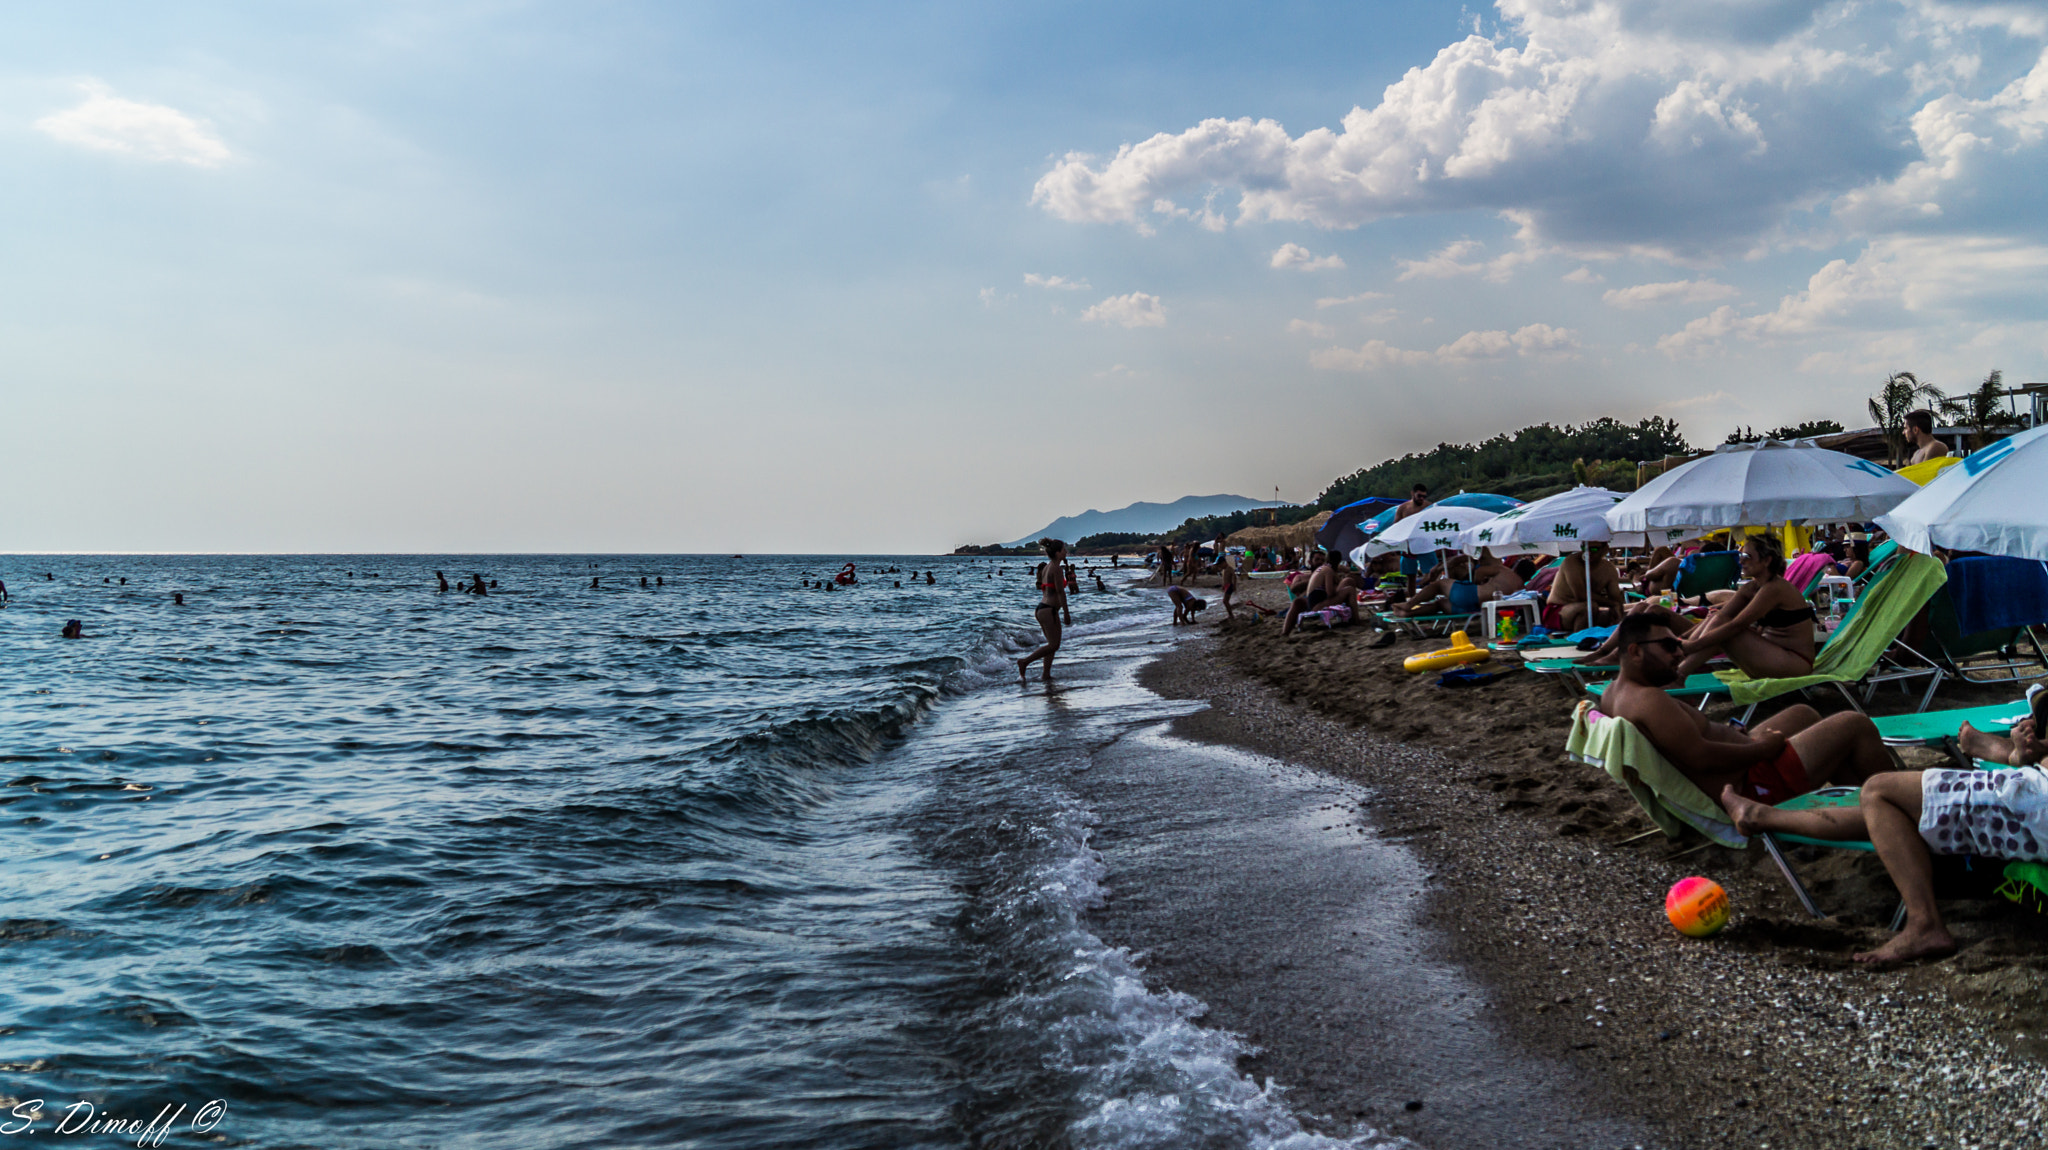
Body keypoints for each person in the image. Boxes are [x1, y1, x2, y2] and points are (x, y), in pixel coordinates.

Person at [1718, 762, 2048, 967]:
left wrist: (2008, 749)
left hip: (2039, 800)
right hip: (2037, 792)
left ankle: (1924, 924)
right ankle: (1760, 815)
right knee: (1890, 813)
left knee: (1880, 791)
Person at [1601, 611, 1891, 812]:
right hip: (1749, 789)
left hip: (1741, 767)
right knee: (1854, 724)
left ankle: (1862, 805)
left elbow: (1690, 747)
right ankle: (1894, 804)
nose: (1679, 652)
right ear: (1636, 652)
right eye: (1668, 646)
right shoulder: (1649, 701)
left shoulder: (1614, 694)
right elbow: (1702, 759)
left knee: (1803, 713)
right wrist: (1763, 749)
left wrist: (1736, 736)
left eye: (1677, 644)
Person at [1669, 535, 1815, 679]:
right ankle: (1677, 669)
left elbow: (1736, 625)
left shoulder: (1775, 588)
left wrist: (1693, 645)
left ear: (1766, 560)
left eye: (1747, 556)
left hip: (1796, 663)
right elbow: (1720, 616)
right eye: (1741, 554)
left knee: (1726, 630)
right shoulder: (1752, 587)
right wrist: (1681, 639)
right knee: (1717, 617)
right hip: (1770, 655)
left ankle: (1678, 674)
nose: (1741, 560)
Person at [1018, 538, 1068, 683]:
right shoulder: (1056, 568)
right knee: (1054, 645)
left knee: (1052, 645)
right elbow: (1060, 592)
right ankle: (1025, 662)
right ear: (1058, 552)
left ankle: (1046, 674)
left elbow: (1045, 588)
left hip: (1044, 609)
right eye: (1064, 550)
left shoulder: (1047, 567)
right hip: (1048, 610)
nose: (1066, 552)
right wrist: (1066, 612)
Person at [1548, 543, 1625, 631]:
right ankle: (1578, 640)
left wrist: (1617, 610)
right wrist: (1613, 604)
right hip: (1558, 610)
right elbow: (1581, 595)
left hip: (1585, 610)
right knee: (1589, 607)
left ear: (1605, 550)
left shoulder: (1609, 569)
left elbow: (1616, 599)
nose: (1588, 552)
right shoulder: (1572, 562)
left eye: (1594, 549)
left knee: (1609, 615)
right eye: (1584, 548)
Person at [1280, 553, 1339, 636]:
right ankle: (1285, 633)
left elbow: (1333, 589)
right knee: (1297, 602)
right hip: (1305, 601)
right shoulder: (1300, 577)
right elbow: (1293, 589)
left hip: (1322, 601)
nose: (1320, 562)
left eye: (1322, 560)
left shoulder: (1327, 573)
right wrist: (1313, 580)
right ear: (1310, 562)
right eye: (1317, 559)